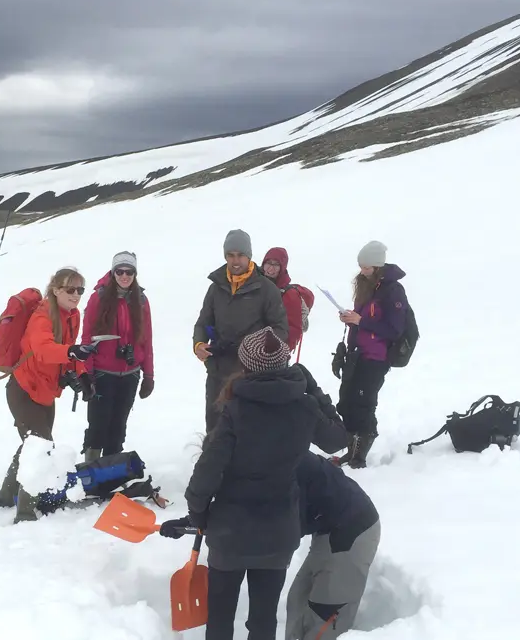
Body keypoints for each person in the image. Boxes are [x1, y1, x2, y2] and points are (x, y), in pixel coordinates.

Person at [161, 326, 341, 640]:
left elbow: (206, 473)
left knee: (219, 618)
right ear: (284, 363)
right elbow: (337, 438)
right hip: (278, 531)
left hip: (231, 532)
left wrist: (200, 514)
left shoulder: (235, 410)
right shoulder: (304, 406)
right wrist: (314, 390)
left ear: (246, 366)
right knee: (263, 620)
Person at [0, 267, 97, 524]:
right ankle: (26, 514)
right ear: (55, 289)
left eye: (80, 290)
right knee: (40, 447)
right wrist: (72, 352)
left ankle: (6, 496)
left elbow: (68, 351)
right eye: (70, 289)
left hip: (46, 393)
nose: (76, 295)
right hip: (24, 390)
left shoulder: (73, 315)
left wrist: (82, 374)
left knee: (33, 445)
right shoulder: (42, 315)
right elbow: (43, 350)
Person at [193, 229, 289, 433]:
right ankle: (215, 464)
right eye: (230, 255)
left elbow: (280, 329)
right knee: (216, 427)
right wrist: (199, 344)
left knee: (248, 428)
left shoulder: (266, 289)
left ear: (249, 256)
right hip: (218, 371)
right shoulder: (216, 287)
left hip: (251, 373)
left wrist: (255, 348)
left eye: (240, 255)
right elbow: (202, 322)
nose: (235, 261)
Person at [285, 452, 381, 640]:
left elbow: (288, 529)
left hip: (352, 531)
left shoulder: (283, 465)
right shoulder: (266, 455)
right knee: (298, 599)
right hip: (326, 528)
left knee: (325, 616)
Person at [333, 241, 408, 468]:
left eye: (366, 267)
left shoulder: (393, 290)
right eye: (360, 266)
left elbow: (394, 329)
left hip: (377, 356)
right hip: (357, 353)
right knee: (347, 402)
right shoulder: (367, 285)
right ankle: (351, 450)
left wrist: (361, 321)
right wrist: (352, 317)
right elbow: (366, 318)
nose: (362, 271)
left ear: (377, 266)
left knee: (364, 404)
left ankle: (359, 457)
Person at [79, 251, 154, 462]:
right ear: (113, 273)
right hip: (103, 373)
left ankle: (112, 470)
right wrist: (87, 374)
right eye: (120, 271)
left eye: (129, 272)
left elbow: (146, 340)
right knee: (98, 425)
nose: (124, 276)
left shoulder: (141, 300)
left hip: (130, 374)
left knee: (119, 425)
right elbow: (87, 339)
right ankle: (92, 470)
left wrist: (148, 375)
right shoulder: (98, 298)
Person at [261, 247, 315, 355]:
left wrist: (279, 354)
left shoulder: (289, 295)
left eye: (276, 265)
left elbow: (293, 330)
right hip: (250, 351)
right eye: (268, 263)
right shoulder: (256, 284)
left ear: (282, 267)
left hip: (274, 355)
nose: (271, 269)